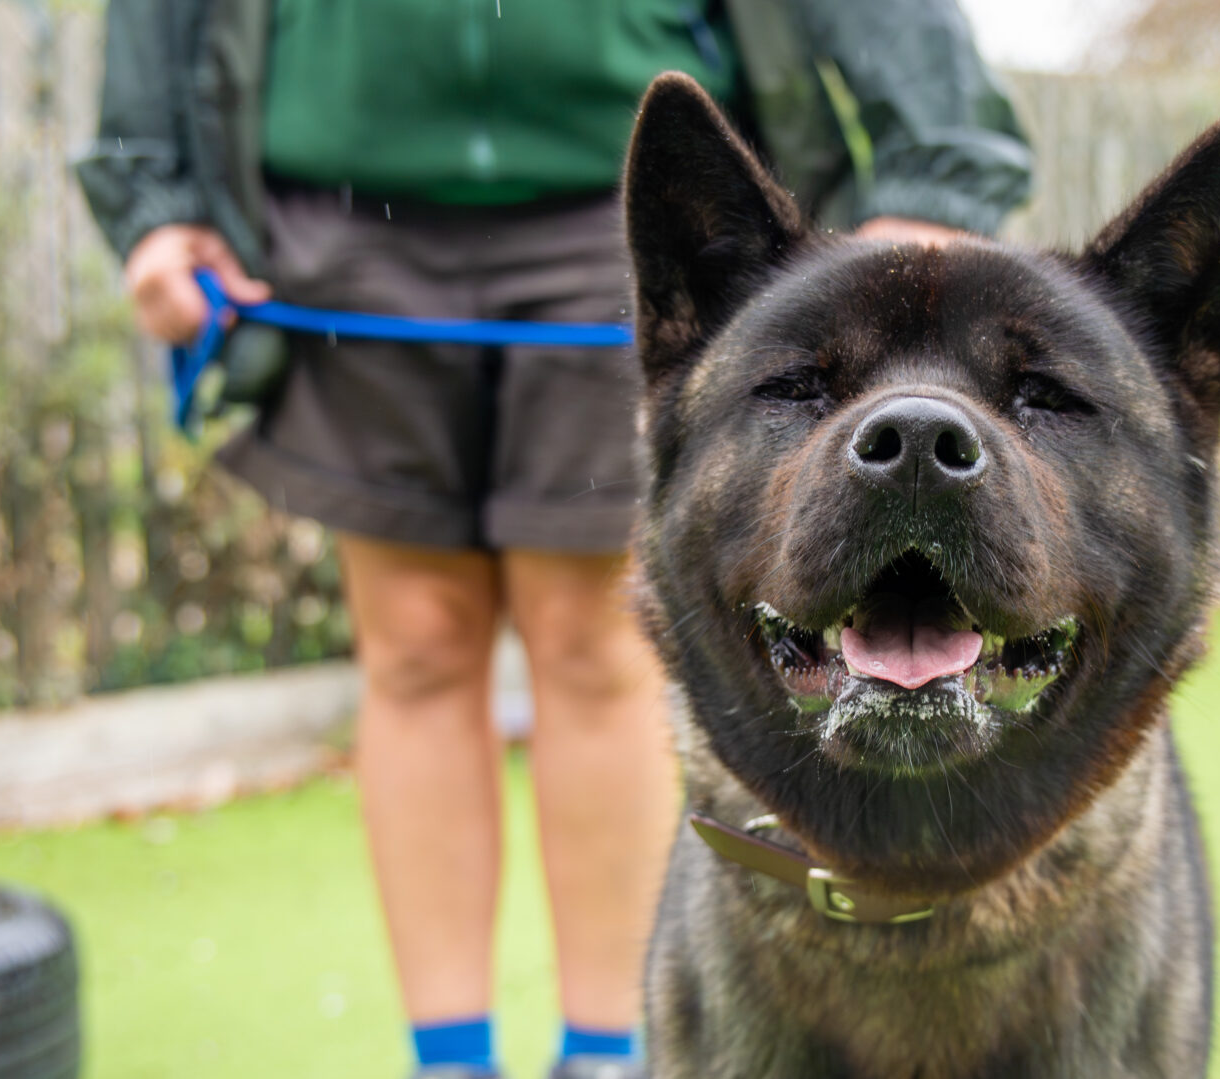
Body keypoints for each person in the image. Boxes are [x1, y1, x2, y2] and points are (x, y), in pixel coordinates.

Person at [75, 3, 1031, 1077]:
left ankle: (606, 1054)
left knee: (592, 641)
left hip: (624, 205)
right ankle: (450, 1060)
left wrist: (933, 179)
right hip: (338, 218)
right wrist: (150, 196)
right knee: (416, 643)